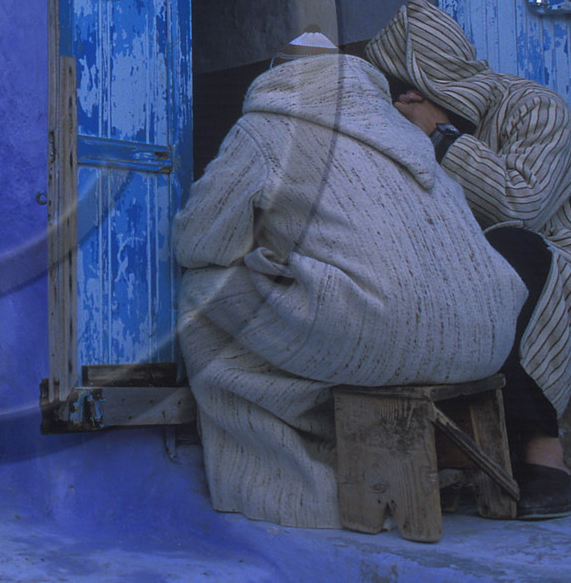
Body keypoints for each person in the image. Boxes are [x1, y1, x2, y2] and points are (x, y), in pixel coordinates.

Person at [175, 32, 527, 529]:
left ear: (278, 74)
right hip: (487, 336)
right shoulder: (408, 134)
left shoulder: (267, 128)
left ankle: (300, 479)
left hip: (384, 330)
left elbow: (201, 240)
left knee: (201, 293)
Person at [366, 0, 571, 519]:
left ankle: (542, 452)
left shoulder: (535, 109)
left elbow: (520, 204)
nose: (398, 103)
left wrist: (441, 141)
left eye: (405, 89)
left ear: (428, 85)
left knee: (510, 248)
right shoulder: (409, 133)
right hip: (491, 275)